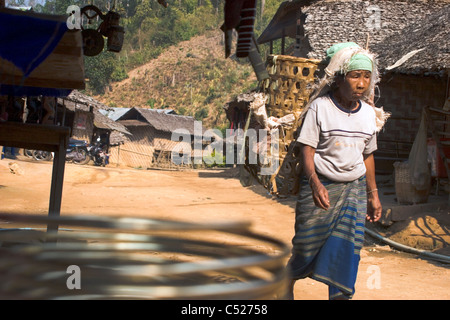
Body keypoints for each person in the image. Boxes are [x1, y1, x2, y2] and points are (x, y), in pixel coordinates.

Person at [287, 42, 387, 300]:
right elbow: (307, 150)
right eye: (355, 76)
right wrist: (314, 182)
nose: (362, 83)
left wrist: (373, 194)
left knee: (347, 247)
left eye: (367, 76)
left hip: (353, 191)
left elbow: (368, 155)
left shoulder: (368, 114)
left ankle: (339, 296)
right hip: (320, 187)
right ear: (339, 78)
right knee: (305, 245)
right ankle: (287, 280)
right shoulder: (321, 108)